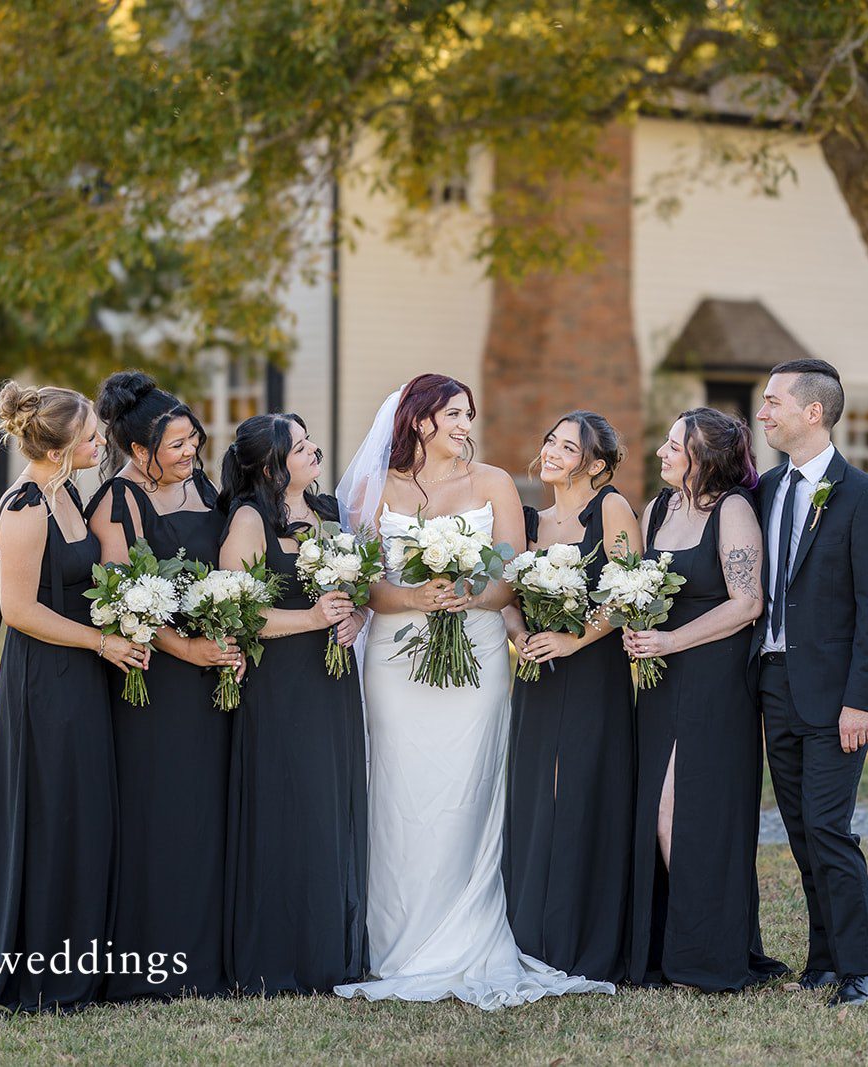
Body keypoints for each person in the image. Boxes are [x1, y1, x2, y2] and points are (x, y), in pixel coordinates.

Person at [332, 374, 615, 1010]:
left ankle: (468, 932)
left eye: (469, 414)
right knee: (397, 790)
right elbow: (365, 584)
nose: (466, 424)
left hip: (480, 652)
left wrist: (464, 594)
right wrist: (413, 596)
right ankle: (393, 941)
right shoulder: (381, 488)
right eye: (455, 414)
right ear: (421, 421)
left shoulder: (492, 484)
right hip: (396, 658)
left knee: (467, 788)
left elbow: (511, 575)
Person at [0, 382, 145, 1014]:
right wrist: (101, 643)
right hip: (45, 680)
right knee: (51, 816)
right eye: (91, 434)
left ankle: (85, 963)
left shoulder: (70, 495)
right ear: (59, 446)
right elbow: (18, 609)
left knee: (85, 814)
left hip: (81, 673)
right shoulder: (25, 507)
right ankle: (37, 971)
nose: (100, 441)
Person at [87, 370, 240, 999]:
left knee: (212, 813)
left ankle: (213, 960)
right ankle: (155, 965)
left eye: (193, 441)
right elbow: (127, 604)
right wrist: (190, 650)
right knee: (164, 814)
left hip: (215, 678)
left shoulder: (202, 486)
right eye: (176, 446)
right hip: (157, 684)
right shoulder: (116, 505)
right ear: (139, 452)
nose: (191, 454)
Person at [625, 408, 787, 991]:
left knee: (691, 813)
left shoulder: (734, 511)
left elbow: (747, 604)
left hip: (715, 680)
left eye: (674, 445)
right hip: (660, 682)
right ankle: (673, 948)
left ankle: (709, 953)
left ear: (704, 458)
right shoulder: (657, 509)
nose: (662, 453)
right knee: (657, 812)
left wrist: (669, 639)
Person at [753, 358, 868, 1007]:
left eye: (773, 401)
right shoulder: (767, 492)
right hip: (774, 685)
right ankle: (822, 956)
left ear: (813, 411)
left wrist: (860, 700)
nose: (763, 412)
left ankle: (860, 968)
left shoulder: (864, 496)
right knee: (801, 829)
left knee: (831, 829)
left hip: (838, 695)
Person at [218, 413, 368, 995]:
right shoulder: (250, 519)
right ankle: (277, 955)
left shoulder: (329, 512)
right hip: (278, 682)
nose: (315, 453)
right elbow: (238, 608)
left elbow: (352, 592)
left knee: (330, 803)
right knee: (286, 802)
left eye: (311, 443)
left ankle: (330, 950)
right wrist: (310, 618)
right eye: (300, 447)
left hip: (331, 681)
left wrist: (353, 617)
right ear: (269, 464)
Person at [502, 411, 639, 985]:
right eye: (551, 440)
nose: (552, 450)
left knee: (583, 792)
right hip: (537, 673)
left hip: (593, 674)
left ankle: (584, 937)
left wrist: (572, 638)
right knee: (535, 797)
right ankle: (531, 936)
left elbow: (633, 591)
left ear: (597, 465)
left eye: (568, 445)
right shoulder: (528, 519)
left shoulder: (611, 508)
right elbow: (504, 591)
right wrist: (518, 634)